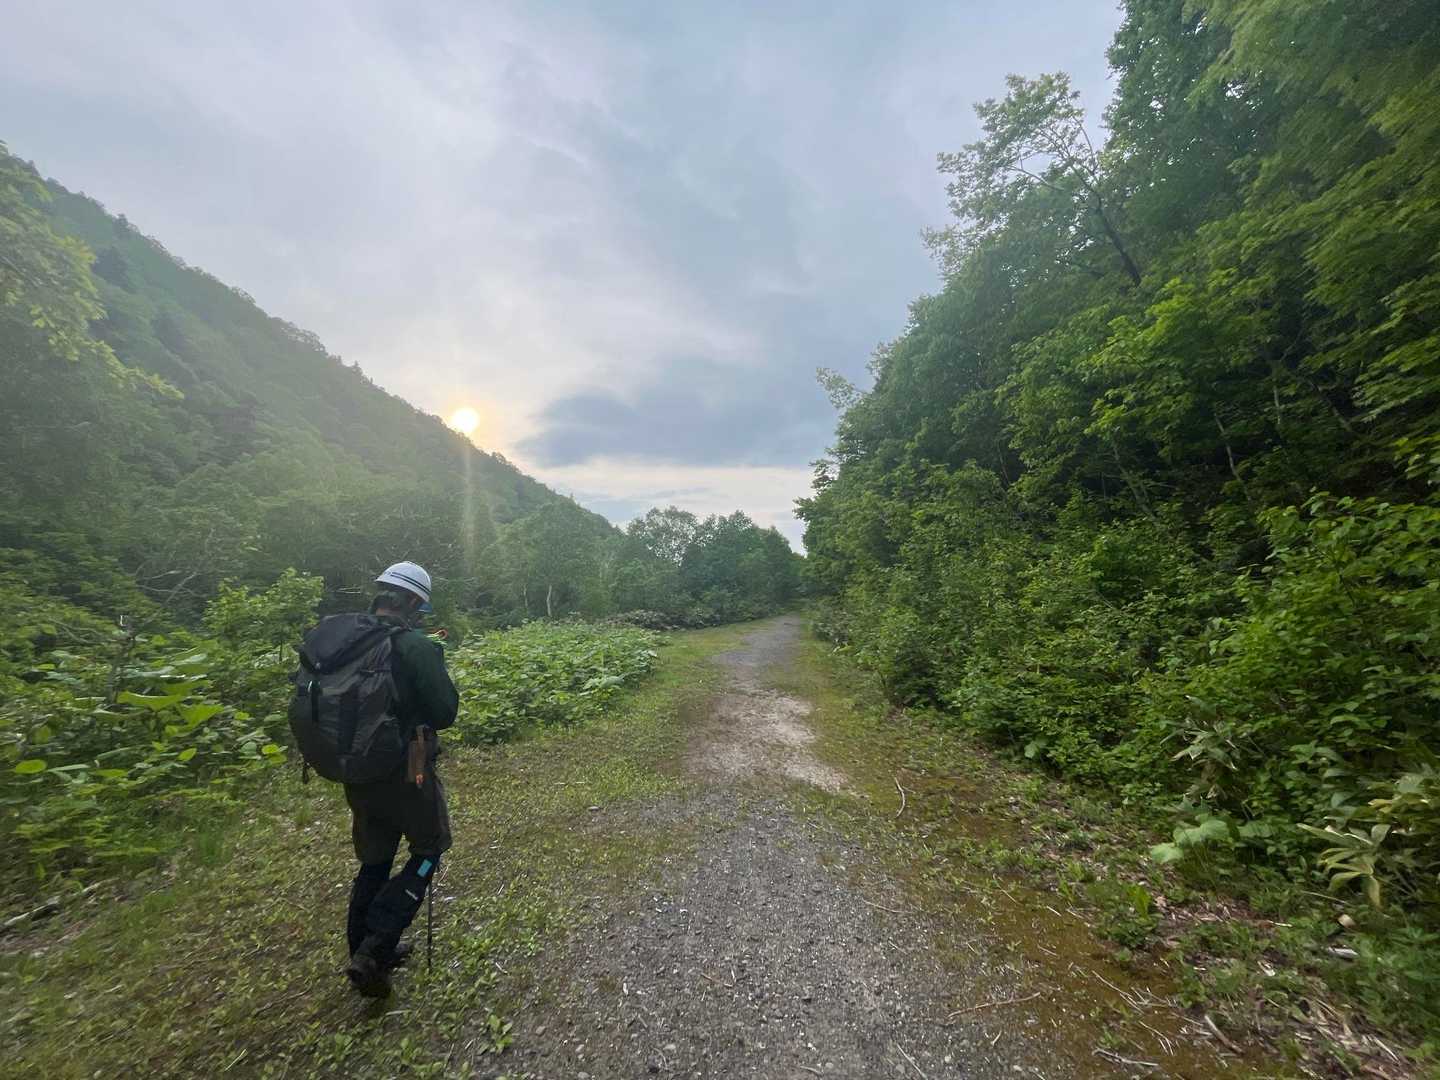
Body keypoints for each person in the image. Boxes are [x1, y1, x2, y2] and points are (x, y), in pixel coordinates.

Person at [339, 561, 458, 997]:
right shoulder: (415, 647)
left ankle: (363, 952)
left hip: (355, 770)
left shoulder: (347, 642)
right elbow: (445, 712)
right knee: (428, 850)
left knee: (374, 860)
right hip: (408, 770)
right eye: (420, 607)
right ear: (411, 602)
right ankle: (376, 947)